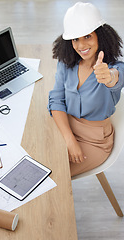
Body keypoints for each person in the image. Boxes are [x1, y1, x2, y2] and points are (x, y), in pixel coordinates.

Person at [48, 2, 124, 177]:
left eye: (87, 36)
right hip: (65, 126)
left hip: (95, 140)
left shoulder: (113, 68)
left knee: (52, 177)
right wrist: (69, 139)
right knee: (35, 159)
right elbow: (56, 100)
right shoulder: (66, 63)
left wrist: (109, 76)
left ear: (100, 36)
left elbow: (116, 77)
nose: (81, 45)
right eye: (75, 39)